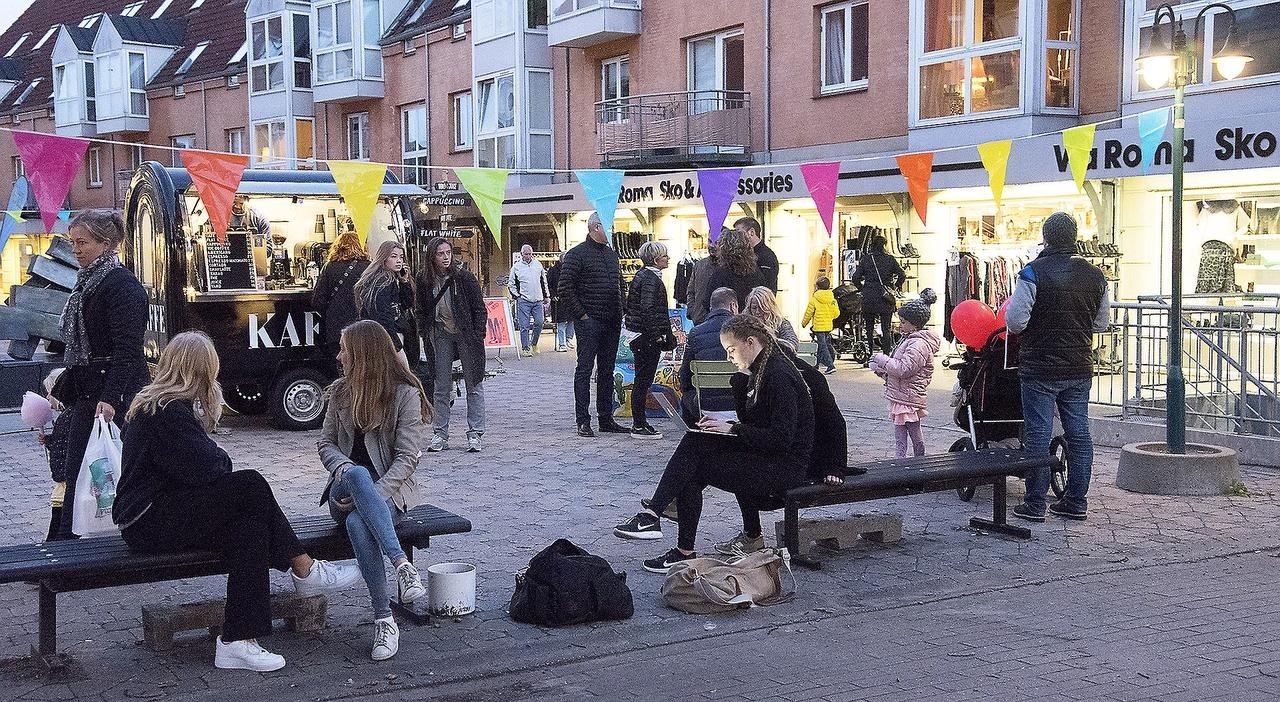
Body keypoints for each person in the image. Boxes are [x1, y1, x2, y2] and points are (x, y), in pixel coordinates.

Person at [114, 332, 361, 672]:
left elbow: (196, 472)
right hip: (148, 521)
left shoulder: (163, 405)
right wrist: (218, 455)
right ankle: (304, 567)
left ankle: (238, 640)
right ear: (201, 371)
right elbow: (210, 468)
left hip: (163, 513)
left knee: (249, 528)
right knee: (251, 484)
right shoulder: (166, 411)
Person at [613, 315, 814, 574]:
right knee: (696, 440)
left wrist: (733, 428)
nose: (729, 357)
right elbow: (756, 424)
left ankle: (660, 523)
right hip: (768, 457)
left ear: (751, 343)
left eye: (731, 350)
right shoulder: (760, 370)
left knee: (694, 466)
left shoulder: (778, 374)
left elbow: (780, 438)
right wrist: (727, 418)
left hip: (784, 469)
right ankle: (659, 522)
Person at [317, 320, 433, 661]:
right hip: (342, 492)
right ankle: (401, 564)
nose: (339, 357)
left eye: (345, 350)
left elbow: (407, 459)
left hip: (389, 494)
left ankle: (384, 618)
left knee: (358, 524)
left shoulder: (405, 394)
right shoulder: (339, 392)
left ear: (364, 355)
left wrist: (372, 496)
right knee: (355, 474)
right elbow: (325, 444)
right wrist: (344, 469)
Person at [1005, 212, 1109, 523]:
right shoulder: (1096, 275)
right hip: (1078, 367)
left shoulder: (1032, 272)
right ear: (1075, 237)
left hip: (1040, 368)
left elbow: (1014, 321)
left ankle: (1035, 503)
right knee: (1079, 433)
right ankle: (1075, 500)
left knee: (1037, 433)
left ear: (1045, 237)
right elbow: (1101, 323)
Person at [51, 210, 149, 540]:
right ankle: (68, 541)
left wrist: (110, 397)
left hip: (115, 393)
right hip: (89, 389)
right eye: (72, 242)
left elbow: (128, 349)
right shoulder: (87, 283)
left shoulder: (122, 287)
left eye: (82, 242)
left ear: (105, 244)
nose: (75, 249)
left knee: (113, 466)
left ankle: (78, 542)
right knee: (79, 467)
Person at [715, 344, 849, 556]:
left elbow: (836, 423)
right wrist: (740, 385)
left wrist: (835, 467)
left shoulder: (801, 379)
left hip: (809, 456)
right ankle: (752, 534)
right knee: (740, 454)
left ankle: (752, 534)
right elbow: (749, 423)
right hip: (779, 450)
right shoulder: (755, 379)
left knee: (746, 462)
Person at [558, 212, 628, 438]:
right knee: (584, 370)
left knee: (607, 371)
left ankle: (606, 419)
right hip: (590, 322)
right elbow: (564, 288)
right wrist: (583, 315)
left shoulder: (611, 255)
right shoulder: (577, 254)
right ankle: (583, 420)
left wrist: (621, 310)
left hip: (611, 320)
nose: (613, 231)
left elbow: (619, 285)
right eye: (609, 226)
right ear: (595, 227)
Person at [417, 236, 489, 453]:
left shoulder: (463, 277)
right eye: (440, 254)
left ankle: (475, 433)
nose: (446, 257)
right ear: (432, 256)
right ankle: (440, 434)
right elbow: (420, 308)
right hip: (440, 332)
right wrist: (424, 330)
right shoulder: (424, 279)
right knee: (441, 385)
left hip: (465, 334)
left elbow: (479, 308)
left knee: (473, 382)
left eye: (448, 253)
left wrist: (478, 334)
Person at [869, 289, 941, 458]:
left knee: (913, 433)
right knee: (901, 434)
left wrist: (882, 360)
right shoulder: (908, 339)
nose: (900, 325)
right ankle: (901, 461)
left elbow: (904, 369)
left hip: (908, 398)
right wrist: (882, 370)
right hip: (901, 395)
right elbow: (897, 369)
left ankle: (916, 461)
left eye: (903, 322)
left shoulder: (918, 344)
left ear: (914, 324)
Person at [624, 241, 673, 439]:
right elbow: (648, 309)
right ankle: (638, 423)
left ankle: (640, 421)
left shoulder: (645, 276)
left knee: (642, 380)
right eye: (665, 255)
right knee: (643, 380)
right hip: (646, 337)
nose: (668, 258)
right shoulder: (651, 279)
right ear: (655, 259)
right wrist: (657, 335)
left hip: (641, 335)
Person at [678, 286, 738, 425]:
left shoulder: (695, 333)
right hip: (738, 405)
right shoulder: (744, 333)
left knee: (687, 397)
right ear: (733, 306)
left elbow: (685, 375)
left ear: (711, 307)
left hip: (704, 407)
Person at [312, 230, 371, 364]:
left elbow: (317, 301)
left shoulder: (329, 267)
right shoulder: (368, 267)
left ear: (338, 247)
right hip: (362, 329)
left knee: (342, 366)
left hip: (336, 328)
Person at [354, 241, 415, 361]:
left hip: (389, 335)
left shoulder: (390, 279)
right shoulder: (382, 281)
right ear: (384, 258)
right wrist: (396, 345)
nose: (399, 260)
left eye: (401, 257)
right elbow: (382, 316)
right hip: (386, 337)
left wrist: (404, 282)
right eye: (393, 256)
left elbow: (406, 304)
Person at [851, 235, 906, 357]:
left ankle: (870, 354)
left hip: (869, 296)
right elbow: (902, 274)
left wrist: (862, 288)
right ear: (884, 245)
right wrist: (895, 286)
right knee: (886, 328)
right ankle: (886, 355)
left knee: (868, 328)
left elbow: (855, 277)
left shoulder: (866, 259)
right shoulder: (890, 259)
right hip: (885, 297)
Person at [695, 228, 766, 315]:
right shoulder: (756, 273)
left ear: (724, 248)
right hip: (750, 321)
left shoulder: (720, 274)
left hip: (726, 322)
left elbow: (707, 302)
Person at [509, 245, 550, 357]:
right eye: (525, 254)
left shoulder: (538, 265)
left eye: (529, 254)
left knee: (539, 322)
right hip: (524, 300)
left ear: (532, 253)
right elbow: (511, 284)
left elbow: (543, 281)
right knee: (524, 326)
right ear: (521, 254)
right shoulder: (516, 267)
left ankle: (534, 343)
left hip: (538, 300)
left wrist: (546, 296)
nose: (528, 256)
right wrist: (518, 296)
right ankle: (525, 348)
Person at [802, 276, 841, 374]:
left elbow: (809, 313)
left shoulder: (814, 298)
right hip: (828, 326)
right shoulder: (832, 299)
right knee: (822, 345)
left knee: (822, 346)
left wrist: (804, 323)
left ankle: (830, 365)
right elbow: (836, 313)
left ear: (817, 287)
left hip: (818, 327)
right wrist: (828, 317)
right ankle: (816, 364)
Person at [744, 286, 799, 352]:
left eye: (762, 308)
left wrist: (772, 343)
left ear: (769, 307)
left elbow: (792, 343)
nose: (757, 312)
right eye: (754, 308)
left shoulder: (781, 323)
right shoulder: (744, 324)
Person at [735, 217, 779, 292]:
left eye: (739, 233)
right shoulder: (747, 253)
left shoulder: (766, 256)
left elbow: (766, 286)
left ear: (751, 232)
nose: (736, 237)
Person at [685, 240, 719, 325]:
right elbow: (691, 290)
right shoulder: (699, 265)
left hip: (722, 321)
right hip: (700, 318)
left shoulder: (730, 266)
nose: (712, 246)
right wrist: (693, 312)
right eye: (710, 241)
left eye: (716, 242)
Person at [546, 257, 575, 352]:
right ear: (561, 260)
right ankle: (562, 344)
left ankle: (568, 339)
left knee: (571, 320)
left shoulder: (572, 269)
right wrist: (553, 295)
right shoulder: (553, 270)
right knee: (561, 322)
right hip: (558, 299)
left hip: (570, 298)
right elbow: (549, 285)